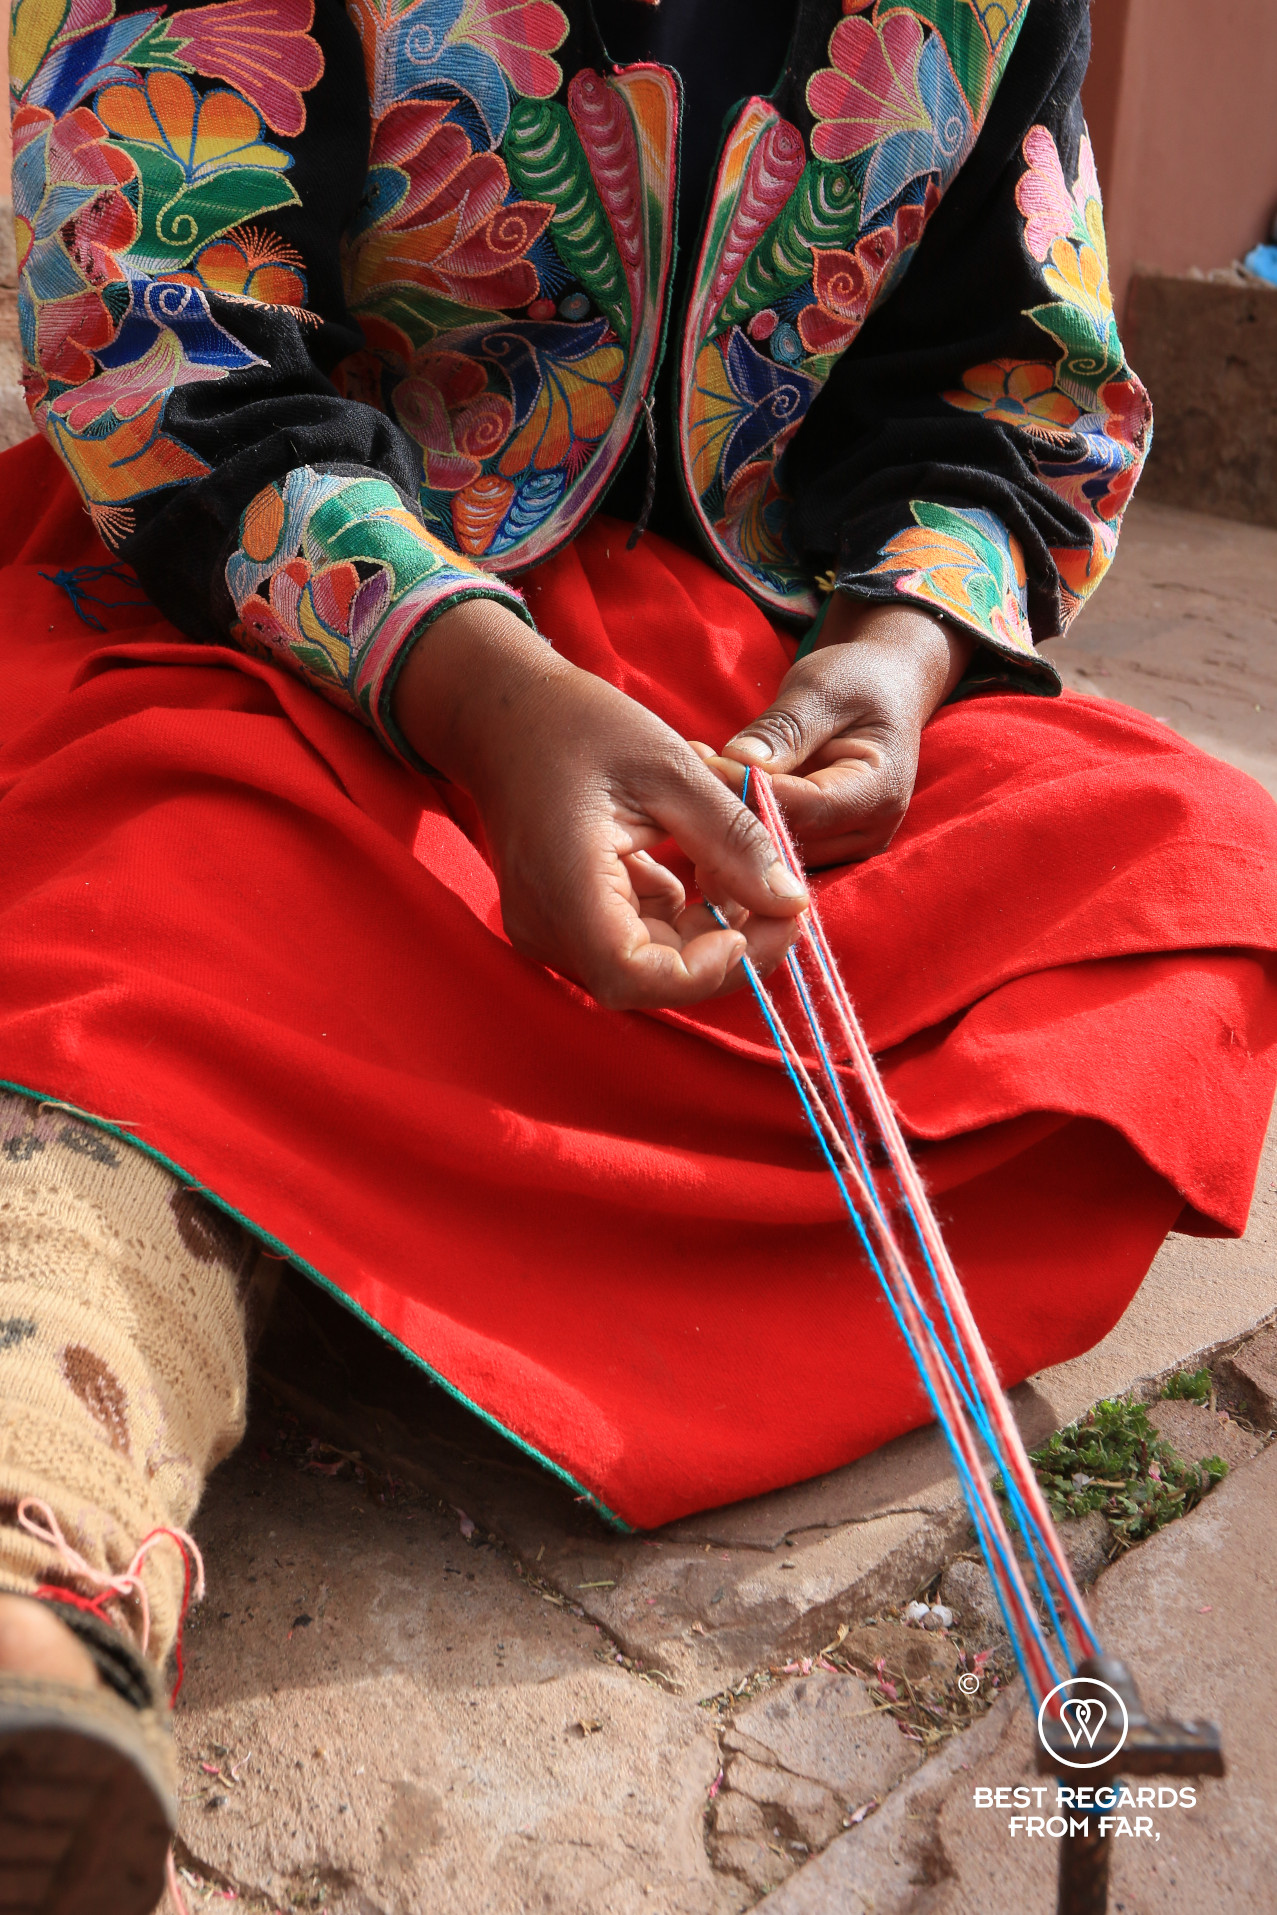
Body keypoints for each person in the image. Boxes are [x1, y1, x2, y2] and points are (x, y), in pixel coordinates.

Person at [1, 0, 1274, 1902]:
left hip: (730, 667)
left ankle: (362, 1143)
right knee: (169, 891)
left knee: (1187, 888)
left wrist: (896, 654)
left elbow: (1005, 384)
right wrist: (480, 699)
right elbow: (160, 335)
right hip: (282, 615)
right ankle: (41, 1559)